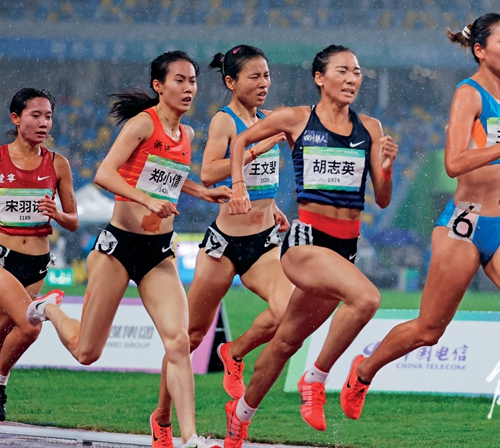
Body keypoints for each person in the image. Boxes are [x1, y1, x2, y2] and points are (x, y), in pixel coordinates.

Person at [338, 14, 500, 448]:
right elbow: (455, 162)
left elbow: (491, 155)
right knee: (428, 330)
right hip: (466, 226)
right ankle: (363, 370)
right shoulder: (467, 94)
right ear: (480, 50)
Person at [27, 51, 230, 448]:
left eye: (192, 81)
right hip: (118, 248)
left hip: (158, 252)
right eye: (179, 80)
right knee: (87, 352)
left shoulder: (187, 135)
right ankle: (49, 307)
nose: (188, 88)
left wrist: (202, 192)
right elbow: (105, 174)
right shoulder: (143, 124)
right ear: (159, 86)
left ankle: (189, 437)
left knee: (179, 342)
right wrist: (146, 200)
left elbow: (170, 177)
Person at [222, 45, 397, 447]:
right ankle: (315, 379)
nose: (352, 79)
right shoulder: (297, 119)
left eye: (357, 72)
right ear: (320, 78)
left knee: (285, 342)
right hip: (306, 243)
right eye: (342, 71)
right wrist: (238, 185)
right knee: (367, 299)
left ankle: (238, 420)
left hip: (344, 249)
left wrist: (386, 169)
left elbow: (383, 199)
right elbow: (241, 141)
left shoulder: (370, 128)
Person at [151, 45, 293, 448]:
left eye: (267, 75)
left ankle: (235, 351)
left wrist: (273, 206)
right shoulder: (223, 120)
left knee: (287, 312)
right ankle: (162, 417)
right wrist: (256, 147)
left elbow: (262, 179)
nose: (264, 83)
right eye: (254, 76)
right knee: (190, 337)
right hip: (225, 245)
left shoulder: (268, 119)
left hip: (264, 241)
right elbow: (210, 172)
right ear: (231, 82)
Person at [0, 88, 78, 422]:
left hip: (36, 265)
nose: (44, 122)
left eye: (48, 116)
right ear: (16, 118)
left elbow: (73, 221)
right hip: (3, 259)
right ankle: (0, 387)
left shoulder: (58, 164)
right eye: (36, 115)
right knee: (31, 326)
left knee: (5, 333)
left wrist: (56, 214)